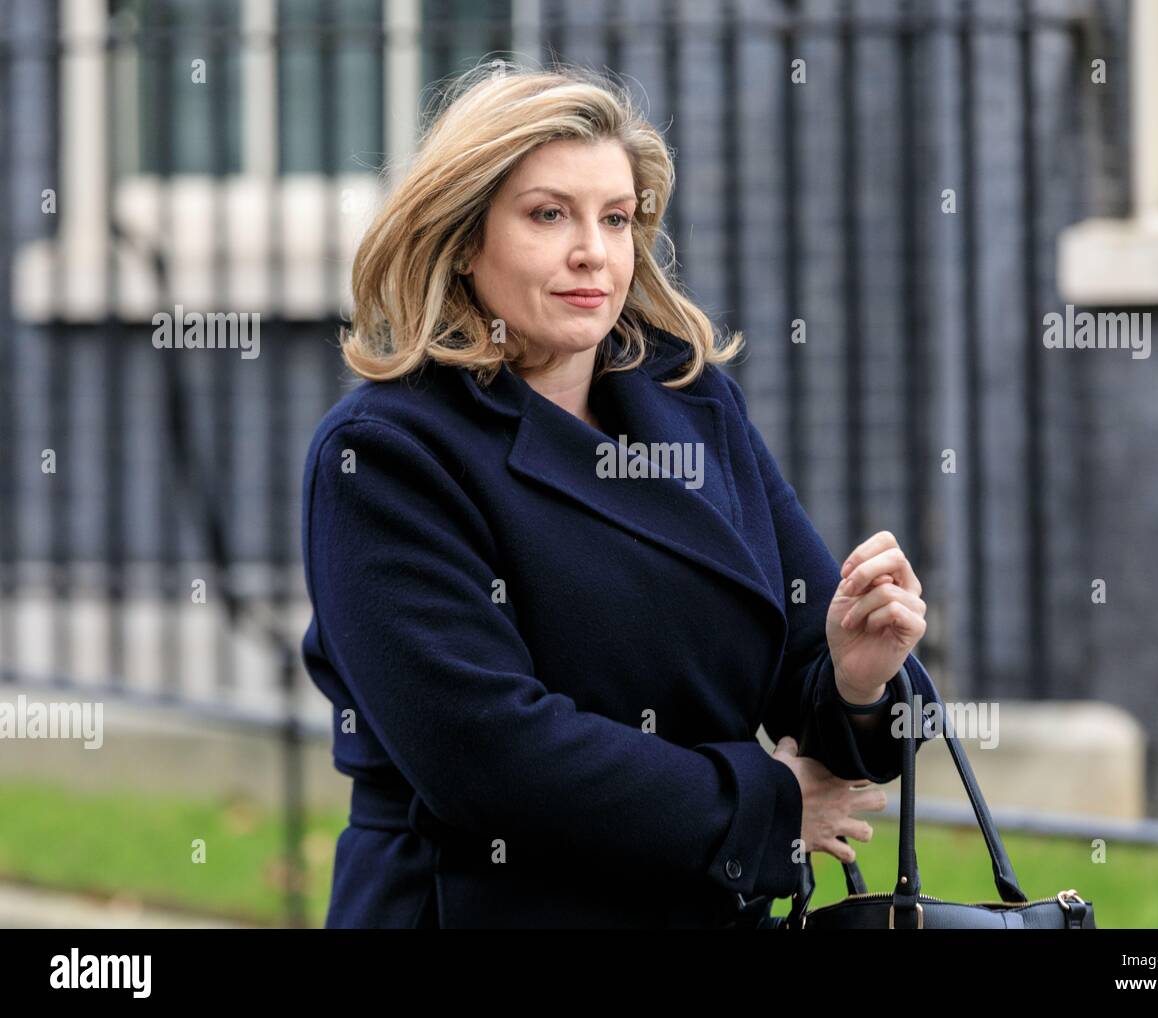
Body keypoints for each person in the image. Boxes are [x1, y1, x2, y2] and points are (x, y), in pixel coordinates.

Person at [300, 59, 942, 929]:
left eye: (616, 217)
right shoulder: (386, 454)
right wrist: (764, 803)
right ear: (460, 239)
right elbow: (487, 753)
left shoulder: (690, 397)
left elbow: (797, 648)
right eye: (547, 214)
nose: (592, 252)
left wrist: (860, 680)